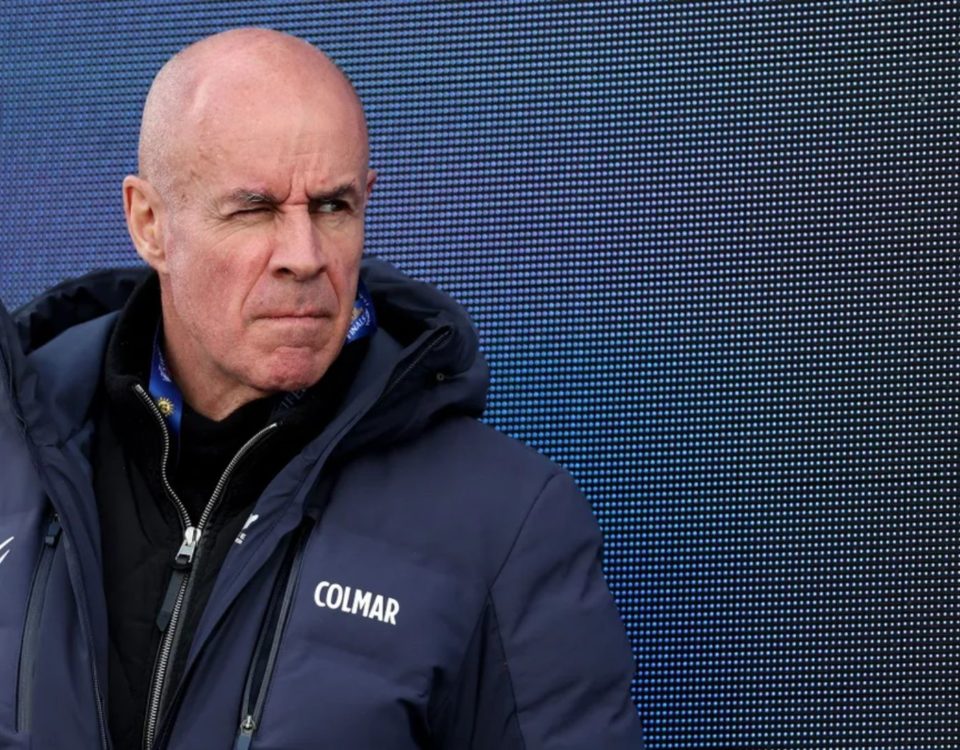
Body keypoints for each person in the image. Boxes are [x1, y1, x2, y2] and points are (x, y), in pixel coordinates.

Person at [0, 28, 643, 749]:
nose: (304, 257)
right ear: (149, 223)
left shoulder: (504, 522)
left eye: (333, 207)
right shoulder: (13, 456)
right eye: (254, 209)